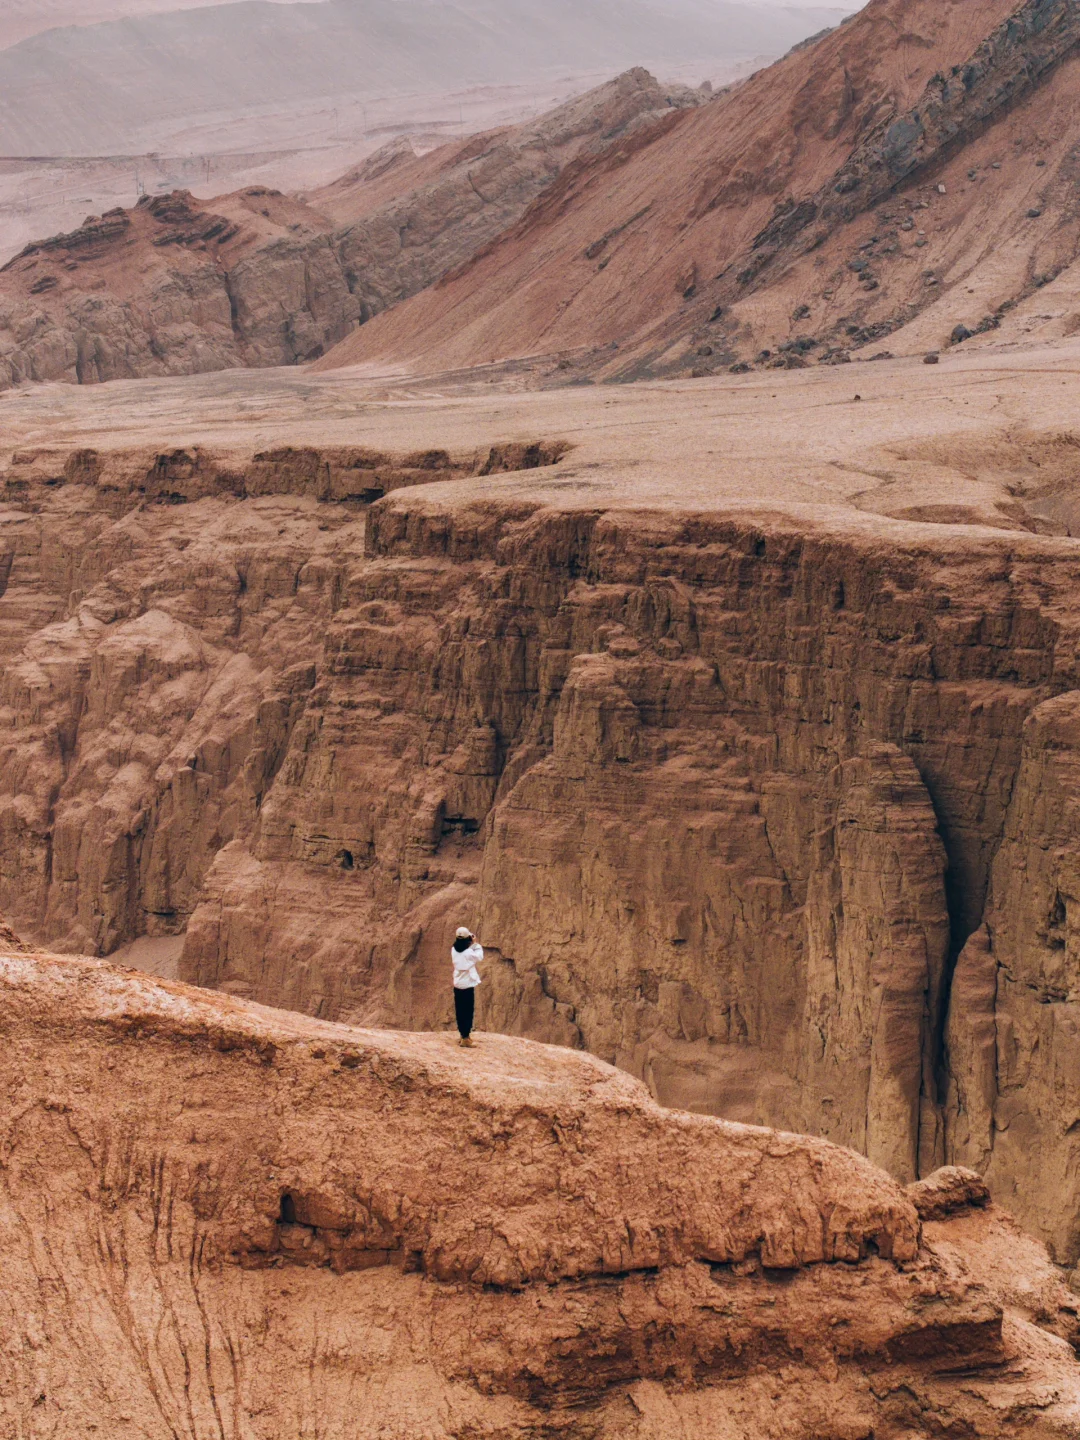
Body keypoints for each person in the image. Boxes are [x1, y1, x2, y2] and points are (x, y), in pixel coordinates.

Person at [451, 925, 483, 1047]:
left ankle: (462, 1035)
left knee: (460, 1011)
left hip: (458, 984)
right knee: (468, 1011)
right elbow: (479, 956)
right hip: (467, 986)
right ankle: (466, 1038)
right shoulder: (468, 952)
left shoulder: (453, 949)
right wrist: (475, 943)